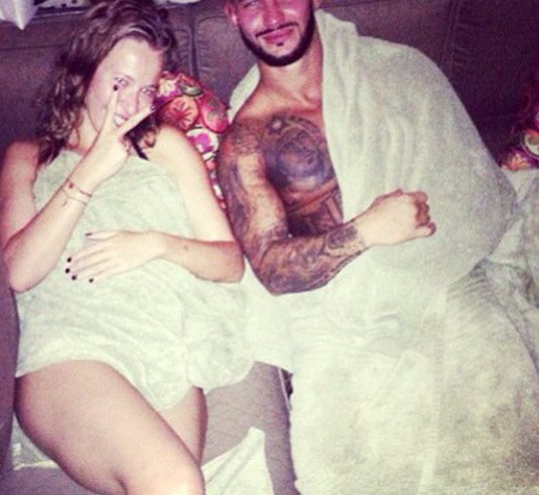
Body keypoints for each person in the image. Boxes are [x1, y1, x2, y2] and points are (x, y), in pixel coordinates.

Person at [218, 0, 539, 493]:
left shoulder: (400, 70)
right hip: (343, 314)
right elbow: (271, 267)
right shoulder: (246, 141)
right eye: (250, 2)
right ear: (231, 15)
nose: (272, 14)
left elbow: (468, 190)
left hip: (447, 273)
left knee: (505, 425)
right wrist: (367, 230)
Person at [0, 1, 252, 494]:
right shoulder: (28, 157)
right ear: (82, 74)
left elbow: (229, 262)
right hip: (71, 350)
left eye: (147, 89)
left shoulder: (166, 146)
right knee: (175, 480)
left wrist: (156, 245)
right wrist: (90, 171)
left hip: (164, 345)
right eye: (119, 83)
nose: (133, 105)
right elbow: (19, 272)